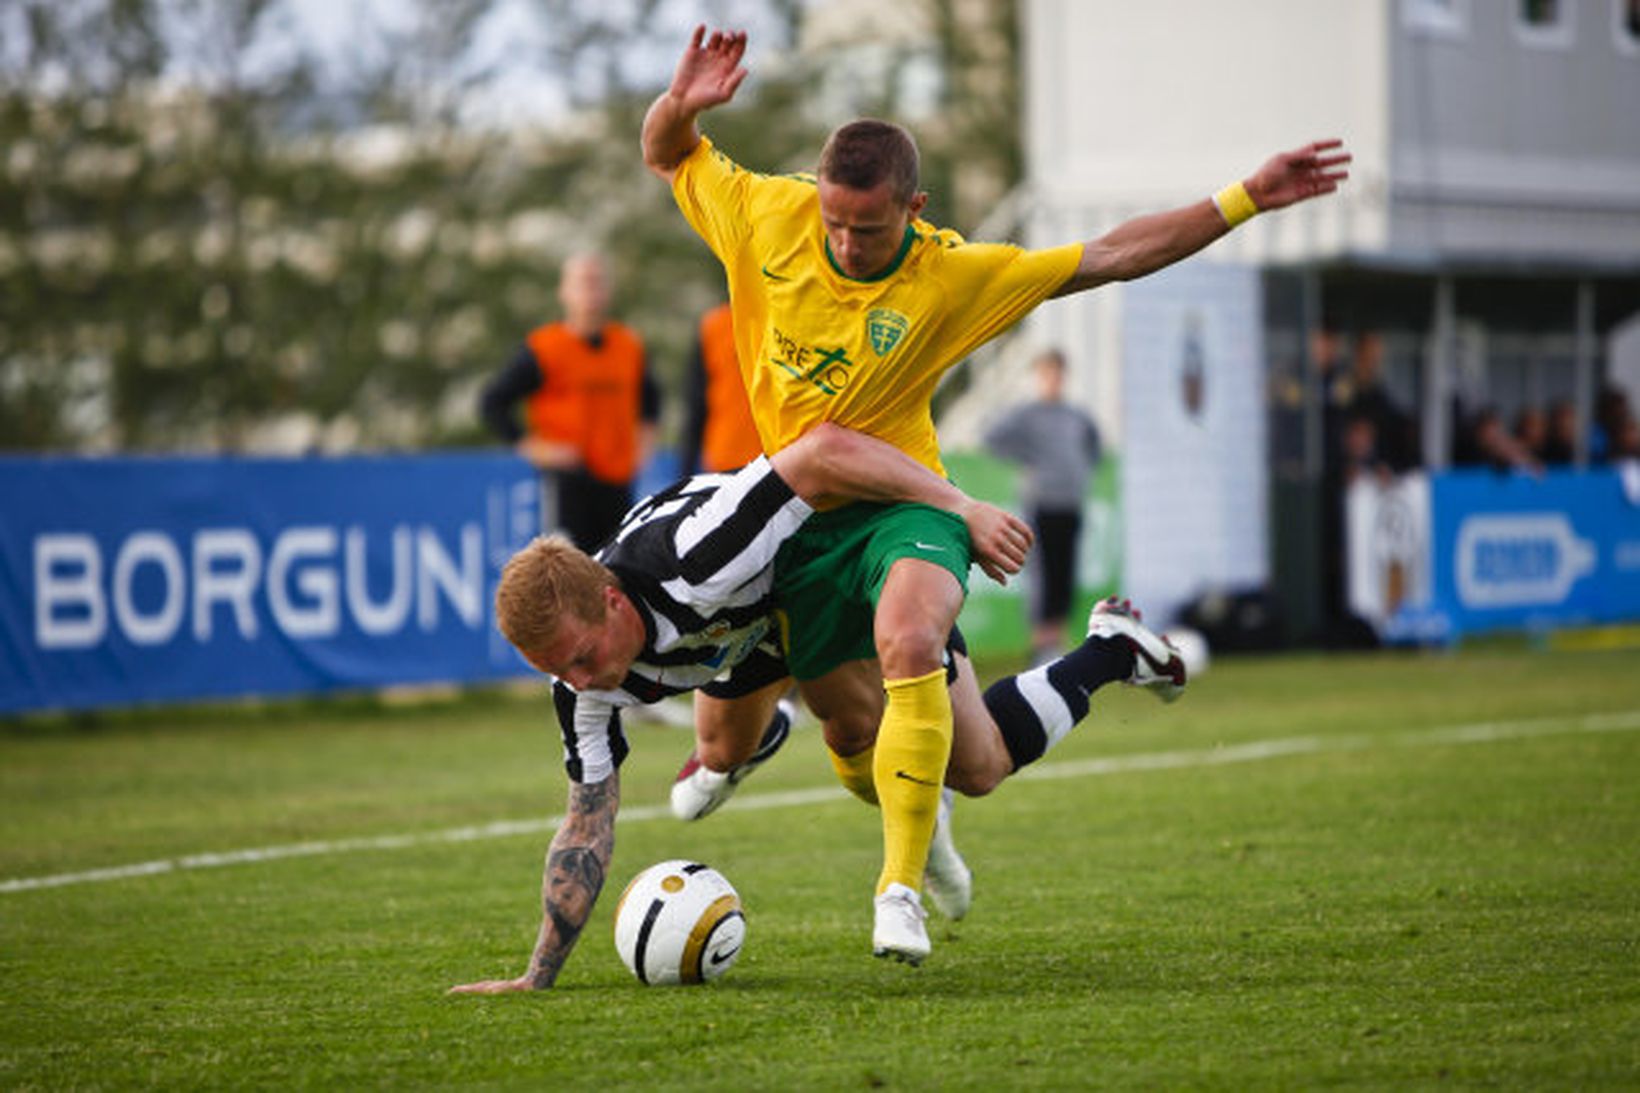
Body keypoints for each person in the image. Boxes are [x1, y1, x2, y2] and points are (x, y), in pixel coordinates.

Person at [642, 25, 1349, 962]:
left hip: (901, 511)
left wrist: (1245, 197)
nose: (848, 243)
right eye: (836, 224)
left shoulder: (950, 274)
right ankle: (1099, 658)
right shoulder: (770, 214)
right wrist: (680, 102)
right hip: (789, 522)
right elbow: (667, 153)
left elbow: (1109, 255)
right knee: (942, 760)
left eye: (871, 227)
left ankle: (897, 889)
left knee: (906, 641)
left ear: (915, 206)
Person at [448, 422, 1033, 993]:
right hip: (741, 637)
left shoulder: (700, 552)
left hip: (813, 580)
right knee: (720, 752)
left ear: (612, 601)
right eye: (556, 672)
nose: (579, 682)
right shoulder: (578, 689)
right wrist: (536, 977)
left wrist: (961, 507)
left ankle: (1105, 650)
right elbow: (585, 825)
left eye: (580, 657)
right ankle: (769, 729)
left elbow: (822, 450)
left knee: (972, 766)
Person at [479, 253, 660, 551]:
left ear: (609, 290)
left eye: (597, 282)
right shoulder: (545, 348)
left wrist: (642, 450)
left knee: (616, 574)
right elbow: (493, 403)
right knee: (571, 573)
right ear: (564, 291)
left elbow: (651, 402)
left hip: (617, 482)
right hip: (569, 483)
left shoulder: (628, 346)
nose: (590, 290)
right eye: (582, 282)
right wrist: (537, 449)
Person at [983, 348, 1103, 664]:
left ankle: (1057, 642)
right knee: (1044, 574)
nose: (1054, 380)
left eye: (1058, 373)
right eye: (1048, 373)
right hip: (1041, 502)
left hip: (1070, 502)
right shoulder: (1027, 414)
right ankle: (1041, 646)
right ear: (1039, 376)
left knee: (1065, 573)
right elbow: (993, 438)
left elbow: (1094, 446)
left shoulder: (1075, 415)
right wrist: (1028, 459)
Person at [679, 302, 763, 476]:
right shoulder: (715, 325)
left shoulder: (788, 318)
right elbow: (697, 400)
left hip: (782, 461)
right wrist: (686, 466)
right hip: (726, 458)